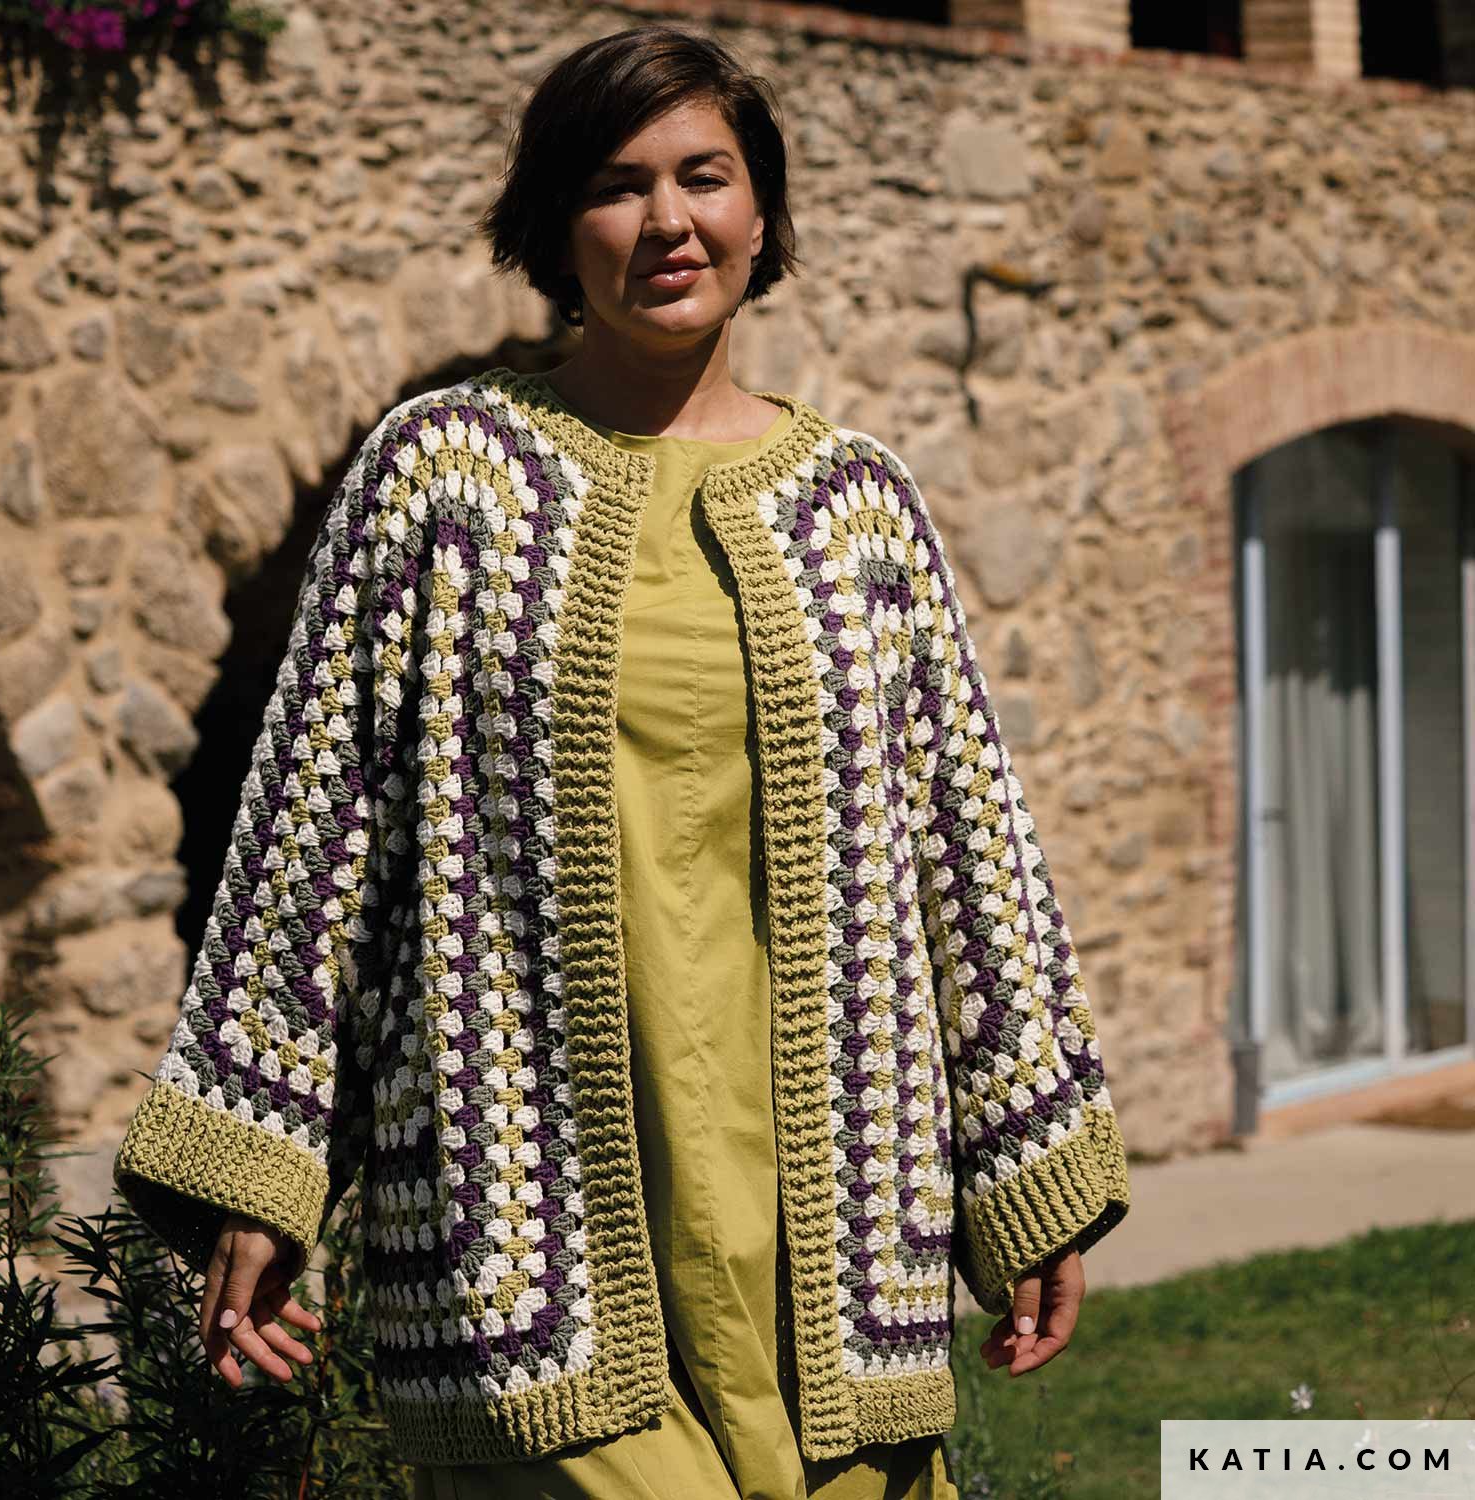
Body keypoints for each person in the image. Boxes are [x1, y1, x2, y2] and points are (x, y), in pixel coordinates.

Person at [112, 22, 1131, 1500]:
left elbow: (970, 854)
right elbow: (313, 830)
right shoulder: (444, 476)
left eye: (704, 177)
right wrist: (258, 1163)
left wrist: (1027, 1169)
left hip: (837, 1240)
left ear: (761, 213)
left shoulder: (859, 505)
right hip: (529, 1241)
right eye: (615, 184)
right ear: (556, 227)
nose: (667, 221)